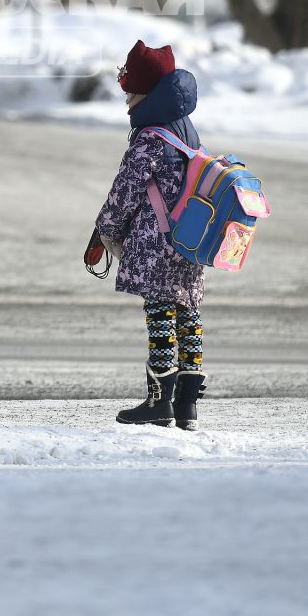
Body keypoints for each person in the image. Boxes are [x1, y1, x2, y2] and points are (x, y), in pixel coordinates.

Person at [91, 38, 208, 429]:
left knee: (160, 314)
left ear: (147, 94)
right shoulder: (187, 132)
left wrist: (106, 230)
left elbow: (125, 191)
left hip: (157, 242)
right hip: (190, 240)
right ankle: (187, 405)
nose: (127, 102)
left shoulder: (149, 138)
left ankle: (159, 401)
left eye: (131, 93)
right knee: (188, 315)